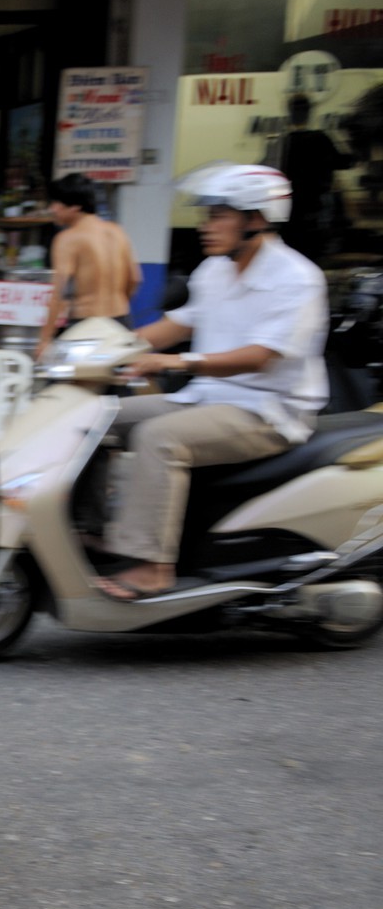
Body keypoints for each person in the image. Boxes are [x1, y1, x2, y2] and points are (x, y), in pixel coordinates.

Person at [95, 164, 327, 601]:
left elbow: (261, 358)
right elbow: (180, 322)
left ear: (256, 219)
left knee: (159, 437)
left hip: (268, 411)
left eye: (218, 215)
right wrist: (104, 347)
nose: (205, 226)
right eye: (207, 215)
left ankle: (153, 566)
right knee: (94, 417)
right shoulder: (215, 270)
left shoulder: (296, 279)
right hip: (206, 397)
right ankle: (97, 531)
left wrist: (175, 362)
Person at [36, 173, 140, 357]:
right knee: (116, 383)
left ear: (75, 206)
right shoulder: (117, 231)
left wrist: (45, 339)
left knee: (68, 384)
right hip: (120, 323)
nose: (52, 209)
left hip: (86, 328)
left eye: (56, 203)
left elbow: (59, 293)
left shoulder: (67, 238)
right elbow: (135, 278)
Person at [269, 92, 354, 262]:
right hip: (315, 211)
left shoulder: (280, 143)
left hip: (287, 213)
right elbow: (344, 162)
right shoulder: (320, 139)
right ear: (309, 113)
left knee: (290, 257)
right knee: (314, 258)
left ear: (289, 114)